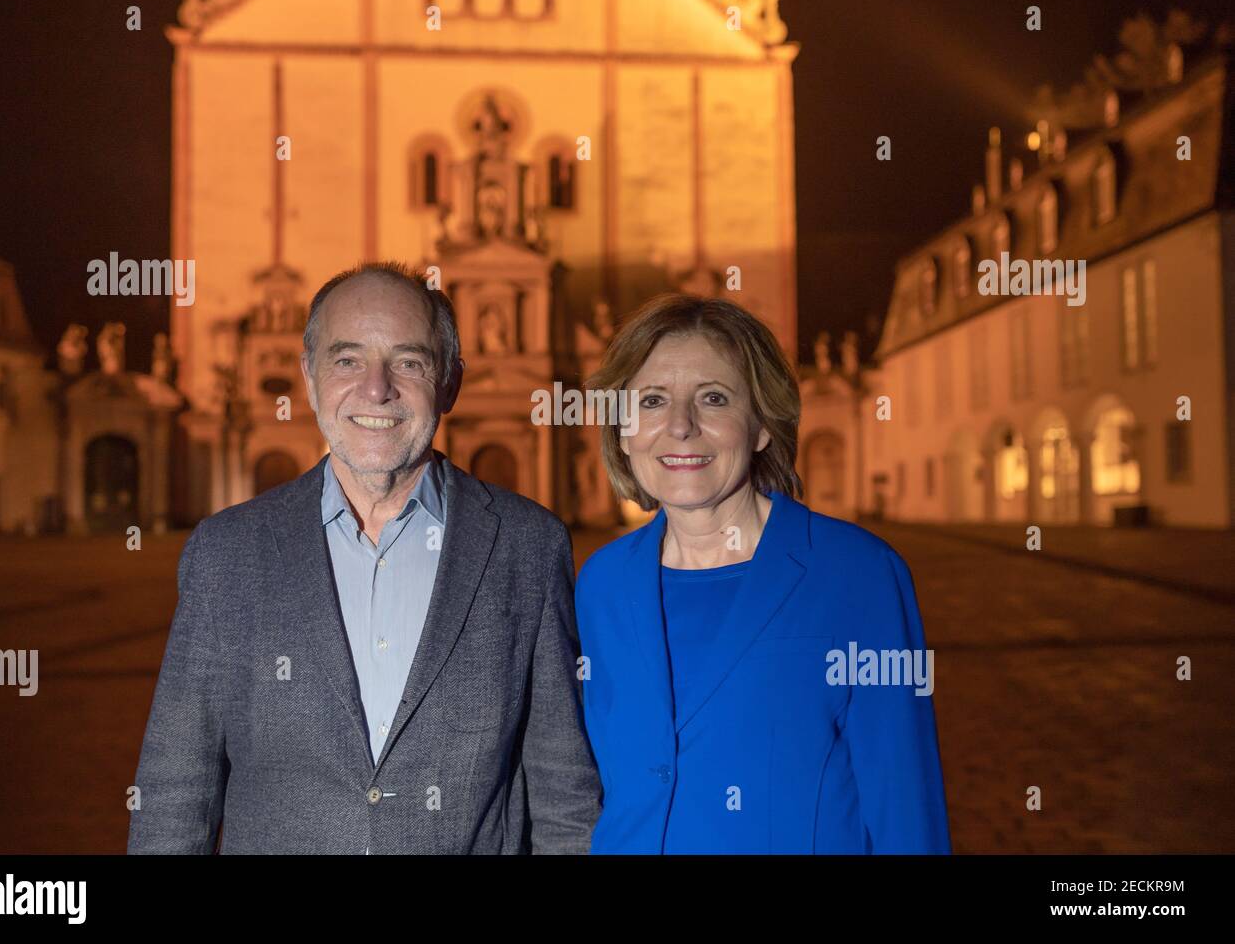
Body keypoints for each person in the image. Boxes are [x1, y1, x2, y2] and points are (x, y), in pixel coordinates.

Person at [129, 261, 601, 853]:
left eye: (409, 362)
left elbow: (565, 798)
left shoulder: (529, 547)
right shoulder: (227, 553)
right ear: (307, 377)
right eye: (347, 360)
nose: (376, 389)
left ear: (450, 381)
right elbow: (174, 797)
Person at [575, 294, 950, 853]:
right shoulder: (600, 583)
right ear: (624, 432)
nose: (680, 426)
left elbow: (904, 807)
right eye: (652, 400)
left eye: (714, 398)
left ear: (760, 427)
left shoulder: (861, 575)